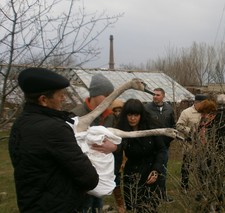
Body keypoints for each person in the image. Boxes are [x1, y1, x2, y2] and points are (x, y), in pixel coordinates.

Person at [8, 67, 99, 212]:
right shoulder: (54, 129)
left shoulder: (20, 124)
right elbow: (89, 178)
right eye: (59, 95)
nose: (63, 98)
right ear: (43, 100)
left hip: (31, 204)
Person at [71, 73, 117, 213]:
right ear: (94, 94)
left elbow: (118, 139)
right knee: (83, 206)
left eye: (111, 95)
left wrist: (114, 146)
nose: (110, 99)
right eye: (106, 95)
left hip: (101, 173)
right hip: (81, 173)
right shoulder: (76, 115)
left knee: (97, 204)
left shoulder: (110, 116)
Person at [114, 99, 167, 212]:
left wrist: (156, 170)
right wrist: (114, 172)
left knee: (149, 207)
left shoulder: (151, 127)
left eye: (136, 115)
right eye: (129, 115)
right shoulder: (121, 130)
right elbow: (117, 154)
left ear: (141, 115)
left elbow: (162, 150)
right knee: (134, 206)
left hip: (149, 171)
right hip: (131, 172)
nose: (132, 118)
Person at [145, 88, 175, 202]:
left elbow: (173, 126)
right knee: (149, 169)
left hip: (164, 146)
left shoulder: (169, 109)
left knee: (162, 169)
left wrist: (169, 140)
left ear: (163, 96)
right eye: (153, 95)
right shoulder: (147, 109)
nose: (155, 96)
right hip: (150, 145)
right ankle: (148, 195)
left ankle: (162, 194)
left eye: (157, 95)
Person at [176, 94, 207, 191]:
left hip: (203, 145)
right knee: (186, 165)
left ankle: (202, 185)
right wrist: (190, 131)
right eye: (202, 104)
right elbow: (179, 125)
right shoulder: (187, 112)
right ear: (196, 103)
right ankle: (184, 186)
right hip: (190, 143)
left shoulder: (207, 113)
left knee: (202, 166)